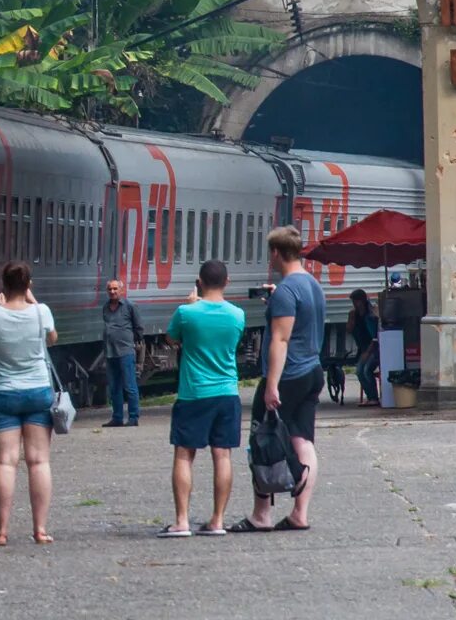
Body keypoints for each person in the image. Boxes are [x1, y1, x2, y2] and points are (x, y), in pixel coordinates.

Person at [232, 226, 325, 533]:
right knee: (302, 439)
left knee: (263, 440)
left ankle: (262, 515)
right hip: (312, 370)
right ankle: (300, 513)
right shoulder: (312, 284)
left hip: (289, 375)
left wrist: (271, 384)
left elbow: (280, 340)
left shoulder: (286, 291)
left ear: (275, 252)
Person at [159, 260, 246, 538]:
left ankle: (182, 521)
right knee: (222, 454)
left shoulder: (186, 313)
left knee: (184, 455)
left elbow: (172, 340)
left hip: (194, 393)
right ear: (227, 281)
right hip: (227, 393)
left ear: (199, 281)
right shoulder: (237, 315)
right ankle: (217, 520)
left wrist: (192, 305)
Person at [0, 262, 59, 546]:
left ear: (3, 284)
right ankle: (40, 529)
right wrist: (33, 302)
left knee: (5, 462)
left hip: (3, 393)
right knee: (38, 461)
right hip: (38, 391)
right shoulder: (42, 312)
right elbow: (52, 339)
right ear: (29, 285)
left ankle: (1, 531)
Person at [102, 279, 144, 428]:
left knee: (130, 386)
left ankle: (133, 417)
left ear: (121, 290)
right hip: (110, 352)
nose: (112, 292)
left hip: (125, 351)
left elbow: (139, 327)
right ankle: (117, 417)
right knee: (114, 387)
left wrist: (132, 342)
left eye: (115, 289)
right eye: (109, 289)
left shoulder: (130, 306)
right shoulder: (105, 307)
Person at [347, 288, 380, 406]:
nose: (355, 304)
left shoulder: (370, 315)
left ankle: (374, 398)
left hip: (374, 349)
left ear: (363, 301)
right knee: (360, 371)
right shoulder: (354, 315)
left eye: (357, 301)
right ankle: (370, 396)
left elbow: (375, 337)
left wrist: (368, 352)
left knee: (366, 370)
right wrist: (351, 319)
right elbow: (349, 330)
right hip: (364, 348)